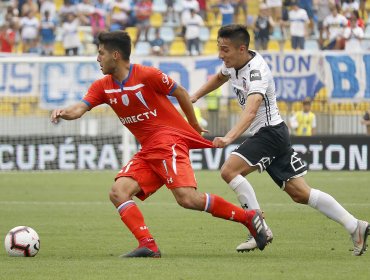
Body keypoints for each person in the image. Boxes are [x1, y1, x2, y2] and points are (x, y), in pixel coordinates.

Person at [50, 30, 267, 258]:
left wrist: (192, 124)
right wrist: (64, 112)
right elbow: (79, 108)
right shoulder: (102, 86)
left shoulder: (147, 75)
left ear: (115, 55)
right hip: (148, 150)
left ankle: (249, 217)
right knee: (118, 192)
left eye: (101, 53)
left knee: (187, 198)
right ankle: (148, 245)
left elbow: (181, 93)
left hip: (168, 141)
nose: (97, 58)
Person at [191, 24, 369, 255]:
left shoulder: (257, 71)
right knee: (300, 193)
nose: (220, 55)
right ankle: (355, 226)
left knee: (229, 171)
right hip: (275, 134)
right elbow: (219, 77)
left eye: (225, 50)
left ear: (242, 49)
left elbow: (252, 109)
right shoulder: (234, 65)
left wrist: (229, 137)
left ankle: (259, 228)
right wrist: (194, 95)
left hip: (270, 132)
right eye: (219, 48)